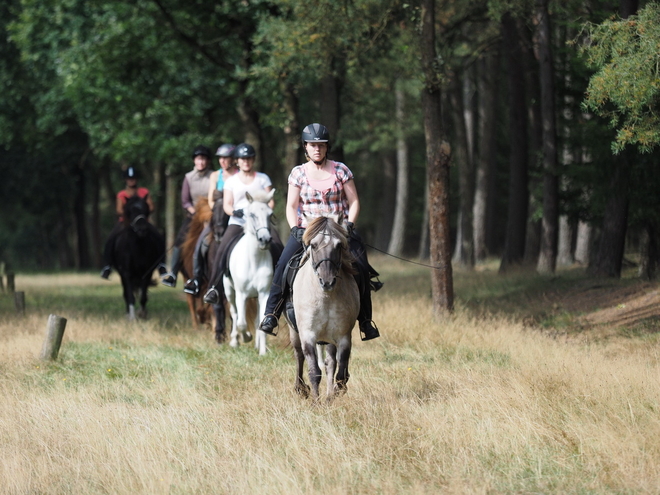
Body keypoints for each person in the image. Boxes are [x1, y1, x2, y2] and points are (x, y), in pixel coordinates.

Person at [258, 123, 382, 341]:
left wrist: (349, 225)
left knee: (361, 266)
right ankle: (271, 314)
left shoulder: (342, 170)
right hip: (308, 231)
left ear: (327, 147)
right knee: (283, 264)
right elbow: (291, 205)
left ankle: (365, 321)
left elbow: (354, 202)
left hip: (339, 231)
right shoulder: (298, 173)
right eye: (312, 145)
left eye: (321, 145)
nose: (317, 149)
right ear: (305, 147)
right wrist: (295, 228)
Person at [202, 143, 283, 305]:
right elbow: (227, 204)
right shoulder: (231, 181)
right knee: (222, 249)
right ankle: (214, 287)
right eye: (242, 159)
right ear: (237, 161)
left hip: (260, 222)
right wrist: (234, 212)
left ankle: (282, 285)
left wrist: (264, 209)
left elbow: (271, 201)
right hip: (238, 222)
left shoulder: (263, 178)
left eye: (249, 158)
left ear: (253, 160)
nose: (246, 161)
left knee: (278, 245)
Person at [183, 143, 238, 296]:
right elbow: (211, 199)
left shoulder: (238, 174)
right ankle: (197, 278)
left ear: (232, 160)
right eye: (220, 158)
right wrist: (217, 211)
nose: (223, 161)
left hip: (235, 217)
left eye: (226, 158)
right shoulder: (215, 175)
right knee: (202, 243)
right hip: (219, 217)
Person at [161, 145, 214, 287]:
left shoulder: (213, 176)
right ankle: (173, 272)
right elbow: (185, 201)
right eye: (198, 159)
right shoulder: (188, 177)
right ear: (194, 161)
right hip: (194, 216)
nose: (201, 162)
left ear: (207, 161)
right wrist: (194, 212)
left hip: (210, 215)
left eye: (203, 159)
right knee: (180, 240)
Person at [100, 166, 165, 279]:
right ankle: (107, 265)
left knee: (157, 236)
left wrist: (143, 214)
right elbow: (119, 209)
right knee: (111, 238)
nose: (131, 180)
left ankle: (161, 265)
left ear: (136, 179)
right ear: (126, 180)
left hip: (142, 222)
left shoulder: (144, 192)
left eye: (133, 178)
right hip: (126, 222)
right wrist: (128, 215)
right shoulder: (122, 194)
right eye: (129, 178)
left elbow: (151, 206)